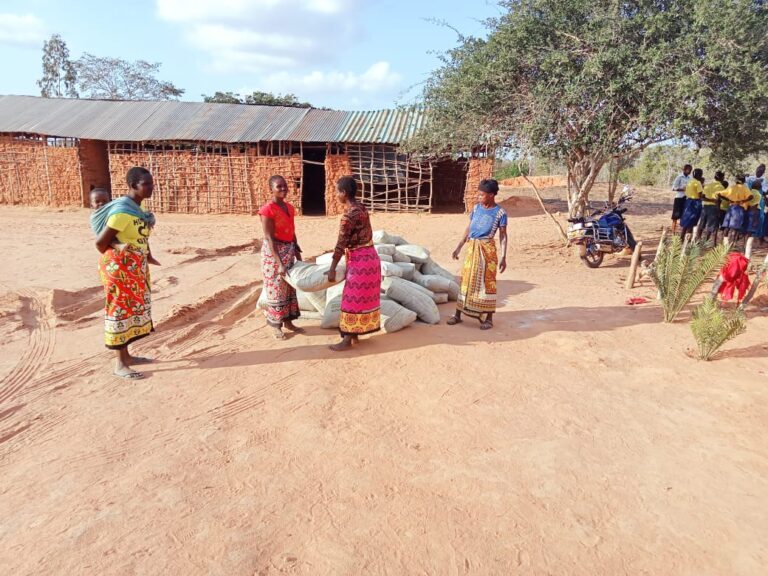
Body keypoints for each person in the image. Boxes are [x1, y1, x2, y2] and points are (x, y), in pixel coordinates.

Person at [93, 167, 158, 379]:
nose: (151, 187)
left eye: (151, 183)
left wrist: (146, 255)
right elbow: (101, 243)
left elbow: (139, 238)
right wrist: (123, 257)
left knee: (130, 310)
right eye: (146, 184)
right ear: (132, 186)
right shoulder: (122, 213)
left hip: (134, 267)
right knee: (119, 310)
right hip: (119, 268)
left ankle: (127, 357)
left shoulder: (137, 210)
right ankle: (120, 364)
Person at [327, 176, 381, 352]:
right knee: (364, 299)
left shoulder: (348, 217)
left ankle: (347, 339)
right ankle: (356, 334)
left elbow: (340, 244)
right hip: (371, 258)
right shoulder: (362, 208)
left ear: (344, 193)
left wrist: (332, 269)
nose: (336, 195)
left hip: (360, 263)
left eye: (337, 191)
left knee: (351, 299)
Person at [448, 178, 508, 330]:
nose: (479, 197)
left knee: (488, 282)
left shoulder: (500, 213)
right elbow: (469, 228)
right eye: (479, 194)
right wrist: (459, 247)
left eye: (482, 195)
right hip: (472, 248)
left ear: (492, 195)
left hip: (487, 250)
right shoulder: (476, 209)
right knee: (466, 280)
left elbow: (503, 236)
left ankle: (488, 318)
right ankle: (458, 314)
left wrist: (503, 256)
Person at [258, 175, 303, 340]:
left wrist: (298, 254)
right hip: (273, 254)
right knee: (276, 290)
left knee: (289, 288)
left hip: (289, 251)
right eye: (279, 186)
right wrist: (279, 264)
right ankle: (276, 326)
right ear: (271, 189)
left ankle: (289, 322)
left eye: (285, 186)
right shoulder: (267, 210)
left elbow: (292, 232)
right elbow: (269, 238)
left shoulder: (289, 208)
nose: (283, 189)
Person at [721, 175, 752, 241]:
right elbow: (751, 197)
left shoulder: (731, 187)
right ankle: (732, 244)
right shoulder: (744, 188)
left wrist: (728, 200)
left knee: (727, 227)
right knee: (735, 228)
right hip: (738, 209)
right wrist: (743, 201)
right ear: (743, 181)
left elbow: (719, 194)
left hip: (730, 208)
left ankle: (724, 245)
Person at [700, 171, 726, 243]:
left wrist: (709, 200)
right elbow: (719, 200)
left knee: (702, 225)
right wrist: (717, 208)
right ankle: (705, 242)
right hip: (714, 208)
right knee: (711, 226)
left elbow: (702, 197)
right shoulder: (720, 187)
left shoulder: (707, 185)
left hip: (705, 207)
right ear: (722, 178)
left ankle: (698, 240)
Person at [679, 168, 704, 239]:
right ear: (700, 175)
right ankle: (687, 240)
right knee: (692, 222)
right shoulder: (698, 183)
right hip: (695, 203)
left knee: (686, 221)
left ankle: (681, 238)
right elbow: (700, 195)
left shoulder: (690, 181)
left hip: (688, 202)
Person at [671, 164, 692, 233]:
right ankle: (673, 231)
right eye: (689, 170)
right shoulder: (679, 177)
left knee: (684, 215)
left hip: (687, 198)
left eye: (690, 170)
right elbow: (673, 188)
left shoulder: (690, 178)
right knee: (675, 216)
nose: (689, 172)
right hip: (679, 198)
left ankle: (681, 231)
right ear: (684, 169)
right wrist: (682, 189)